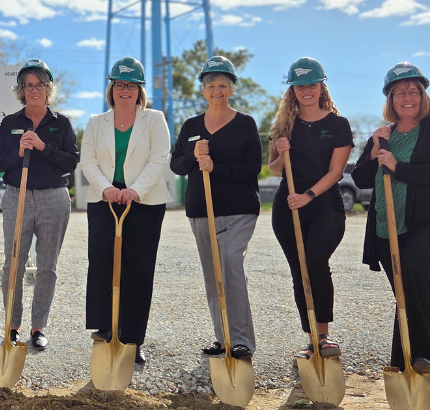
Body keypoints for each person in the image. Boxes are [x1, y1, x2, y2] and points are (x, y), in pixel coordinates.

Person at [79, 57, 173, 365]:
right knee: (103, 262)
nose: (125, 90)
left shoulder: (154, 119)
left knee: (138, 269)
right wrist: (107, 188)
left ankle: (133, 338)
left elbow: (159, 158)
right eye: (120, 84)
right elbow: (88, 161)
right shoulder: (96, 122)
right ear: (112, 88)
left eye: (131, 85)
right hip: (104, 201)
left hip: (144, 204)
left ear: (139, 90)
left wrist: (135, 190)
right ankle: (106, 330)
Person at [169, 56, 262, 360]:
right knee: (213, 274)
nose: (217, 90)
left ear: (232, 89)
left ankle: (242, 340)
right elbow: (176, 165)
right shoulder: (191, 126)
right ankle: (222, 338)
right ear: (203, 91)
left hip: (239, 210)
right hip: (201, 210)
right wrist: (194, 157)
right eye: (211, 85)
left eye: (223, 84)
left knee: (230, 265)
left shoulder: (245, 123)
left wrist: (215, 166)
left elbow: (252, 167)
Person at [266, 57, 353, 361]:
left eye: (311, 84)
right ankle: (311, 337)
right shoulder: (282, 127)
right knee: (299, 269)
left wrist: (309, 195)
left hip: (324, 203)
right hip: (287, 205)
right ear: (292, 90)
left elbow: (336, 171)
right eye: (300, 85)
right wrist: (280, 152)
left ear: (321, 86)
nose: (306, 90)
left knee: (316, 260)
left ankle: (325, 334)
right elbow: (275, 170)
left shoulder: (338, 124)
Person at [0, 59, 79, 351]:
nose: (34, 90)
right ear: (21, 90)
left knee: (47, 267)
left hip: (54, 197)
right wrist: (18, 151)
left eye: (39, 85)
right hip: (17, 195)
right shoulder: (10, 123)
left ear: (48, 88)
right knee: (13, 263)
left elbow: (71, 161)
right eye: (28, 85)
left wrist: (43, 147)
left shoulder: (62, 123)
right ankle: (12, 326)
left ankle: (38, 327)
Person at [352, 62, 430, 374]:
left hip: (422, 225)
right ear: (390, 100)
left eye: (414, 91)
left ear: (422, 95)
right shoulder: (385, 135)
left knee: (412, 278)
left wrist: (399, 167)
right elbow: (359, 178)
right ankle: (404, 362)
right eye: (400, 93)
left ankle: (420, 355)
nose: (407, 97)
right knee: (405, 293)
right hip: (387, 228)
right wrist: (374, 151)